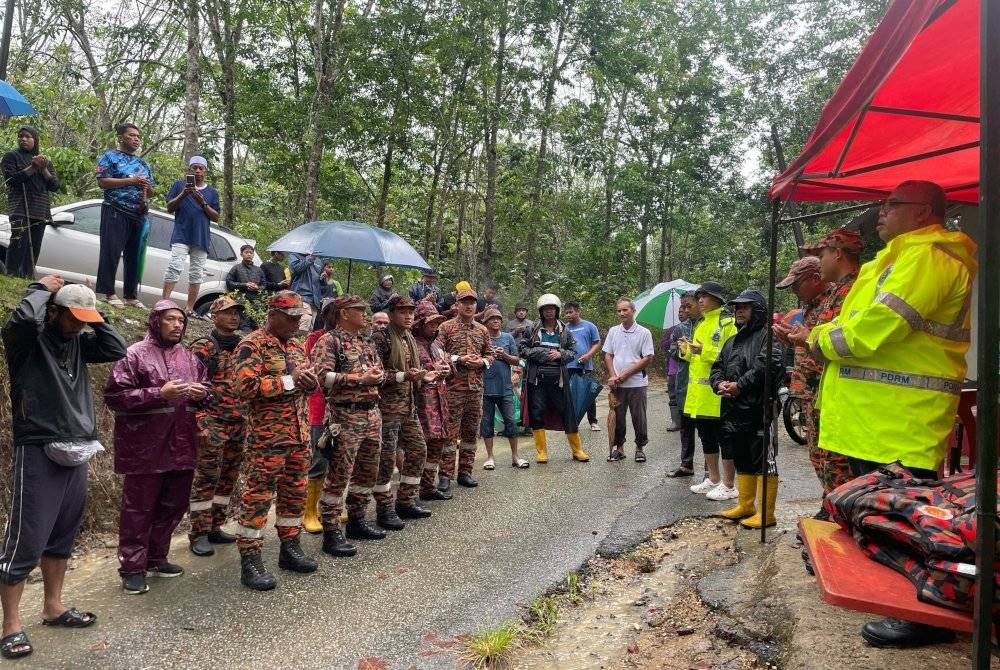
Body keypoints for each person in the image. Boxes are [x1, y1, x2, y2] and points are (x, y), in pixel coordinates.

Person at [795, 180, 975, 649]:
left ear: (923, 213)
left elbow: (872, 330)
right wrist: (824, 335)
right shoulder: (892, 259)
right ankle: (889, 598)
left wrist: (814, 340)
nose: (881, 211)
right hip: (869, 420)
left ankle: (926, 616)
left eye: (893, 204)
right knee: (876, 519)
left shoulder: (931, 258)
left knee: (911, 523)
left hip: (901, 420)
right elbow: (847, 321)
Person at [0, 277, 125, 660]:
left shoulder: (80, 341)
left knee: (62, 533)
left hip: (78, 445)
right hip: (39, 443)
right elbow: (19, 322)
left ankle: (53, 606)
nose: (80, 326)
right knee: (27, 537)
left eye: (84, 320)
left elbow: (115, 347)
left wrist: (93, 312)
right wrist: (40, 288)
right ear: (52, 312)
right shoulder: (28, 342)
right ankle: (11, 625)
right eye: (74, 318)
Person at [104, 300, 208, 595]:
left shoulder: (189, 358)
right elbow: (115, 396)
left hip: (182, 443)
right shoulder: (134, 354)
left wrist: (202, 394)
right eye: (171, 319)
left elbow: (207, 389)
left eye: (181, 321)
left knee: (174, 503)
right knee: (138, 509)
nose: (178, 325)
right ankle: (132, 567)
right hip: (144, 447)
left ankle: (156, 556)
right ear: (155, 321)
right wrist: (157, 393)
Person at [232, 291, 320, 590]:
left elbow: (305, 382)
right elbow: (245, 387)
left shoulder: (296, 345)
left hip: (299, 434)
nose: (297, 323)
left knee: (294, 494)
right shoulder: (251, 344)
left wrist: (309, 383)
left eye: (299, 317)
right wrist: (291, 381)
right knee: (257, 497)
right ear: (273, 315)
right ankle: (251, 559)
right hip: (267, 438)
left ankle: (290, 549)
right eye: (291, 317)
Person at [775, 231, 861, 518]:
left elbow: (840, 343)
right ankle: (831, 504)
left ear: (814, 277)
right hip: (810, 391)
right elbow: (814, 341)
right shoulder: (812, 305)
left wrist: (805, 338)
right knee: (818, 455)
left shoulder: (841, 296)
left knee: (834, 458)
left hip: (829, 390)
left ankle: (839, 509)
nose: (794, 292)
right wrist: (792, 340)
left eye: (796, 285)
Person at [311, 295, 386, 557]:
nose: (364, 314)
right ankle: (331, 531)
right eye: (359, 310)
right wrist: (358, 378)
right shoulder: (329, 340)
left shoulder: (366, 341)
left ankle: (357, 520)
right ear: (344, 313)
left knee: (367, 472)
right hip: (345, 416)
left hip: (371, 415)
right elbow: (322, 377)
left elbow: (379, 370)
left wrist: (378, 376)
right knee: (339, 475)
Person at [709, 290, 783, 529]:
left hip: (758, 409)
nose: (739, 311)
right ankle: (746, 504)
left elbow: (768, 365)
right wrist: (718, 383)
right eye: (737, 307)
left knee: (763, 460)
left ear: (758, 310)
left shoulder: (768, 337)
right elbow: (717, 367)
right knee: (741, 456)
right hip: (732, 410)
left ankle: (767, 514)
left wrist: (740, 386)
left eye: (745, 307)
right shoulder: (732, 340)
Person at [187, 296, 247, 556]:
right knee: (206, 477)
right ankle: (198, 532)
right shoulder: (204, 346)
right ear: (214, 315)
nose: (233, 317)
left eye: (236, 313)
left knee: (228, 477)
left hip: (239, 422)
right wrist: (200, 422)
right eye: (227, 312)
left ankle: (215, 525)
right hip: (213, 421)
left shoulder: (245, 345)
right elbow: (191, 387)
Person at [370, 295, 434, 529]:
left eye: (411, 312)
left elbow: (412, 371)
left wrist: (426, 375)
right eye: (402, 312)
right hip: (386, 408)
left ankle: (406, 500)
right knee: (385, 460)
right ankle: (384, 509)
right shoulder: (381, 337)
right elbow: (374, 375)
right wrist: (403, 376)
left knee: (418, 450)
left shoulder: (408, 337)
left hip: (408, 406)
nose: (408, 316)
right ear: (391, 314)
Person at [680, 281, 738, 500]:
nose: (700, 301)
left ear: (717, 299)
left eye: (704, 297)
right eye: (699, 297)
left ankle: (729, 484)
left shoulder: (727, 323)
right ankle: (713, 479)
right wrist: (686, 350)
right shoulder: (702, 323)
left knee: (725, 438)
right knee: (706, 437)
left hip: (718, 393)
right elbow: (695, 358)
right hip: (699, 395)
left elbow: (731, 355)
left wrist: (704, 350)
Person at [435, 287, 495, 489]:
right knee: (450, 434)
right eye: (465, 302)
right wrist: (458, 359)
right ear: (457, 305)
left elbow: (491, 354)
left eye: (472, 302)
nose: (469, 306)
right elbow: (436, 350)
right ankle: (445, 476)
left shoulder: (482, 330)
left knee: (470, 433)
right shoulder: (446, 327)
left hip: (475, 389)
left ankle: (466, 472)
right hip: (453, 388)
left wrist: (482, 362)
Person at [520, 293, 589, 464]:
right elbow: (522, 349)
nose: (549, 312)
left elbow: (573, 352)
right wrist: (542, 353)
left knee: (567, 413)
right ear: (541, 311)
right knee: (537, 413)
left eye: (552, 309)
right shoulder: (532, 329)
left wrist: (560, 354)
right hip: (537, 380)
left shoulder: (565, 330)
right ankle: (542, 452)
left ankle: (577, 450)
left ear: (557, 311)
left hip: (559, 380)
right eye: (545, 309)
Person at [95, 123, 153, 309]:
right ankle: (108, 292)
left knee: (134, 255)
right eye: (132, 135)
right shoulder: (109, 157)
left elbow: (151, 191)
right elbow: (102, 182)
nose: (136, 139)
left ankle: (130, 296)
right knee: (111, 251)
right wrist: (131, 180)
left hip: (138, 214)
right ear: (120, 138)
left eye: (138, 136)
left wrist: (145, 187)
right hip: (115, 209)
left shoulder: (143, 164)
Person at [161, 156, 220, 316]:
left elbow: (215, 217)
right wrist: (183, 194)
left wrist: (203, 202)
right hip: (181, 234)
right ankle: (163, 303)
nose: (198, 171)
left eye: (201, 168)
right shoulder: (179, 185)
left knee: (196, 273)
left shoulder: (212, 192)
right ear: (189, 169)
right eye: (194, 167)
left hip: (201, 238)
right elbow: (169, 207)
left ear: (206, 170)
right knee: (174, 267)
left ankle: (189, 308)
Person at [2, 126, 58, 279]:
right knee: (18, 242)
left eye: (27, 136)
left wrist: (43, 168)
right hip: (20, 208)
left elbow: (54, 186)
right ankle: (11, 275)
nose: (23, 139)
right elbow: (12, 180)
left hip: (40, 211)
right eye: (20, 136)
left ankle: (26, 278)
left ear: (35, 139)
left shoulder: (44, 161)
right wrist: (33, 167)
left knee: (34, 247)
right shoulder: (11, 157)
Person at [302, 298, 338, 534]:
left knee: (338, 458)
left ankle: (331, 504)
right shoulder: (316, 339)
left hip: (340, 408)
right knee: (320, 457)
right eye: (336, 314)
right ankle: (309, 511)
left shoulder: (349, 341)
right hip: (318, 405)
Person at [603, 299, 654, 462]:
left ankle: (640, 447)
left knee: (638, 416)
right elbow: (608, 354)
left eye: (625, 310)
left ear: (633, 311)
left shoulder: (644, 332)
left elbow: (647, 358)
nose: (622, 313)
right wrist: (613, 375)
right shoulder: (613, 331)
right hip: (617, 384)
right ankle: (620, 448)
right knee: (618, 416)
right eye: (619, 311)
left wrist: (625, 375)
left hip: (637, 383)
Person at [412, 302, 454, 501]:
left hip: (440, 401)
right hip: (421, 403)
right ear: (420, 323)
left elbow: (448, 370)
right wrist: (427, 373)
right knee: (420, 446)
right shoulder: (411, 344)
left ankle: (428, 487)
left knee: (437, 444)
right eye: (431, 323)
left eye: (437, 323)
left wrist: (446, 369)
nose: (434, 326)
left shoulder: (436, 345)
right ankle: (412, 490)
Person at [480, 307, 527, 469]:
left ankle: (515, 457)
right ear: (485, 322)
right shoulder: (481, 338)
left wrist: (504, 356)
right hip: (485, 388)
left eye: (498, 318)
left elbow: (516, 360)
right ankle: (490, 458)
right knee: (486, 424)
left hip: (505, 388)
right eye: (492, 318)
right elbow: (476, 360)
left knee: (511, 422)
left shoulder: (508, 338)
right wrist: (489, 356)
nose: (496, 321)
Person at [667, 291, 701, 476]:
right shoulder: (680, 328)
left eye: (689, 305)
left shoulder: (708, 326)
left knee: (705, 429)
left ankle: (709, 471)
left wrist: (696, 351)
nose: (686, 310)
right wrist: (682, 350)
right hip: (684, 382)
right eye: (683, 306)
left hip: (703, 385)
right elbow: (672, 351)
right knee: (685, 427)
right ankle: (686, 464)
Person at [564, 300, 602, 431]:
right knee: (570, 394)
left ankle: (593, 421)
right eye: (566, 313)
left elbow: (597, 343)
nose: (568, 315)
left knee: (587, 392)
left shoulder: (589, 326)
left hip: (584, 365)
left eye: (571, 312)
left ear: (578, 311)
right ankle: (573, 421)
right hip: (568, 365)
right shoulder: (564, 327)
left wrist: (588, 355)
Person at [289, 253, 325, 332]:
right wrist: (309, 259)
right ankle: (296, 342)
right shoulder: (295, 255)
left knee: (310, 328)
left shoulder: (318, 260)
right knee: (305, 320)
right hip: (301, 296)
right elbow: (295, 269)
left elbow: (321, 281)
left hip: (315, 300)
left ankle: (304, 344)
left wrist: (323, 278)